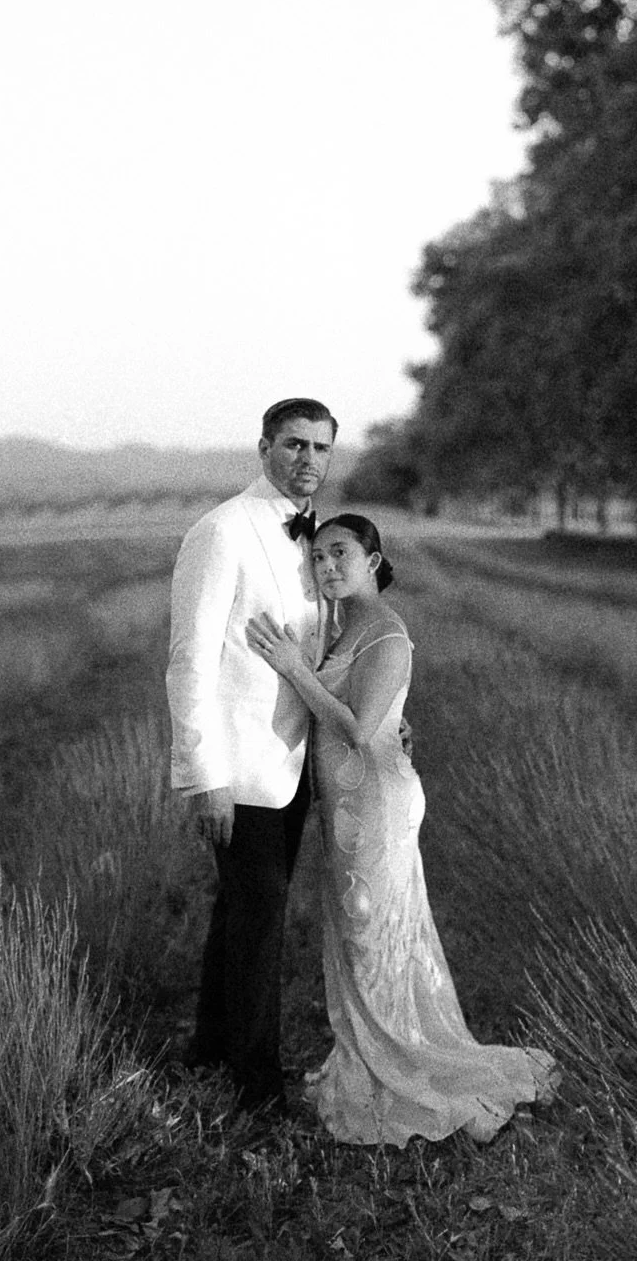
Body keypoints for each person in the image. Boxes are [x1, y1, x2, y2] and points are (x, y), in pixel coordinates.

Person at [247, 515, 558, 1145]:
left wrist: (295, 670)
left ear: (373, 559)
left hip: (378, 807)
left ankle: (401, 1070)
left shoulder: (386, 629)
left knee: (374, 935)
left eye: (341, 554)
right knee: (360, 935)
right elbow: (379, 712)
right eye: (319, 559)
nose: (327, 567)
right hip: (348, 807)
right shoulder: (342, 626)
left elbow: (360, 729)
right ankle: (367, 1058)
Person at [165, 397, 337, 1111]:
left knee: (240, 907)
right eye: (294, 445)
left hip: (295, 763)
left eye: (321, 448)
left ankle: (209, 1044)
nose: (308, 461)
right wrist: (204, 776)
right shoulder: (220, 532)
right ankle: (257, 1087)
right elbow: (190, 660)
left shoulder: (316, 536)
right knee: (261, 916)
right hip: (239, 769)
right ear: (264, 447)